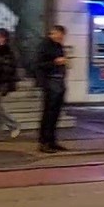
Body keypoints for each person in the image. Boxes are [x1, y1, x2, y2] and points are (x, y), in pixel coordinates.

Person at [35, 25, 68, 154]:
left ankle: (52, 141)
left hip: (59, 82)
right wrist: (55, 62)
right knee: (48, 113)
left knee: (56, 113)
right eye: (59, 35)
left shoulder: (58, 46)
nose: (61, 38)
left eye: (62, 35)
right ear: (53, 34)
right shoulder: (45, 46)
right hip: (50, 82)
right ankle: (44, 142)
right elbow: (38, 65)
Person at [0, 28, 20, 139]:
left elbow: (10, 68)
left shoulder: (9, 51)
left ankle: (13, 125)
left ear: (3, 37)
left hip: (2, 83)